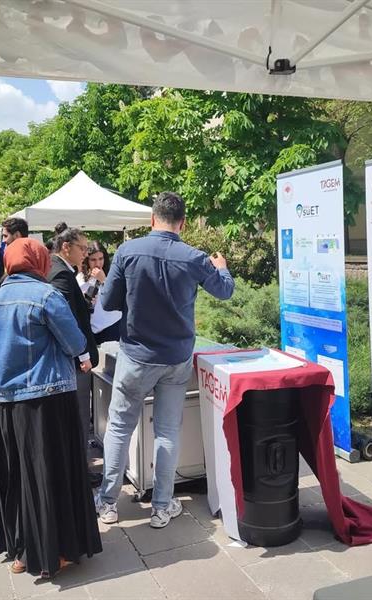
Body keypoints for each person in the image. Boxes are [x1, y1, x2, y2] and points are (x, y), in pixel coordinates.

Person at [95, 191, 234, 528]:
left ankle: (108, 503)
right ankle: (161, 507)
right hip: (176, 358)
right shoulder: (195, 257)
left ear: (152, 219)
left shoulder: (127, 252)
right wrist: (223, 269)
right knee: (167, 432)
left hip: (135, 356)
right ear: (182, 223)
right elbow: (225, 291)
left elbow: (108, 302)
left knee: (119, 427)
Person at [0, 238, 102, 578]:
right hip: (50, 398)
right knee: (52, 471)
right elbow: (75, 343)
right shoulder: (48, 296)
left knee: (20, 475)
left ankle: (24, 551)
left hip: (7, 402)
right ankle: (58, 550)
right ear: (39, 262)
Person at [48, 223, 101, 488]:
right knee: (78, 416)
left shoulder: (62, 270)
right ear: (66, 247)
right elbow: (67, 321)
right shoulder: (60, 273)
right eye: (82, 248)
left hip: (72, 357)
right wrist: (82, 356)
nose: (85, 253)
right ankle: (80, 472)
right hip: (74, 360)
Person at [77, 241, 122, 344]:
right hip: (92, 329)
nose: (97, 264)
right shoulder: (80, 278)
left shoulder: (113, 274)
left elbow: (118, 298)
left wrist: (104, 280)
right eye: (93, 260)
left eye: (101, 259)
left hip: (113, 325)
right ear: (87, 260)